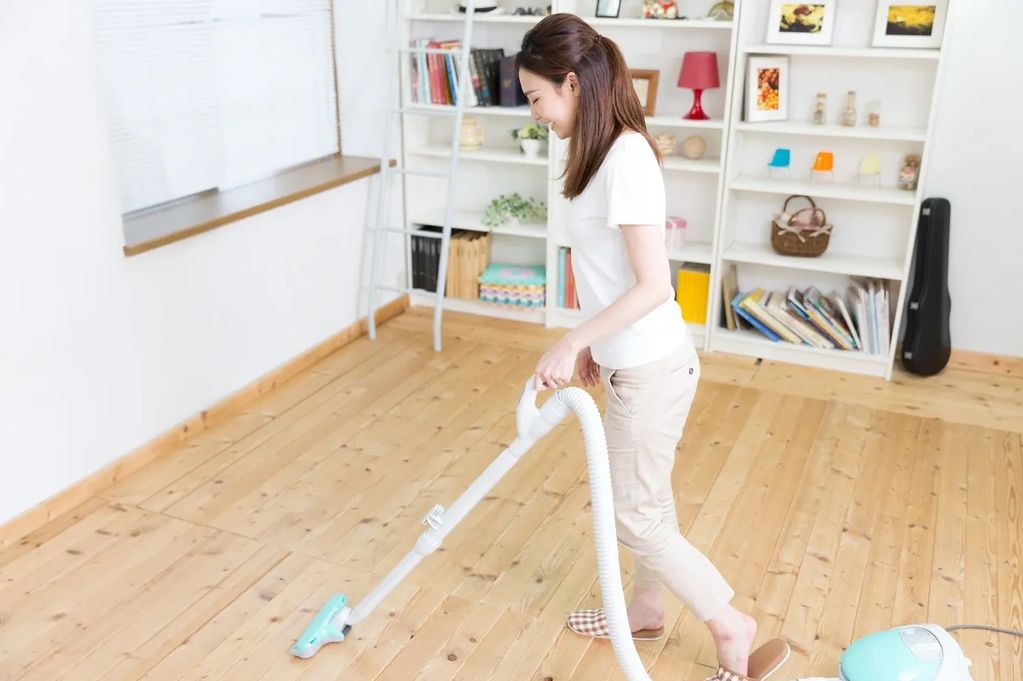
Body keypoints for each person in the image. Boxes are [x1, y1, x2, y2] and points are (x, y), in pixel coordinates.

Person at [517, 14, 789, 680]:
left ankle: (729, 621)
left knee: (633, 514)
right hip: (630, 362)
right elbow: (609, 273)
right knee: (649, 499)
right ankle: (643, 607)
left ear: (571, 83)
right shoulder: (598, 154)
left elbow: (653, 284)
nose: (535, 113)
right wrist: (595, 342)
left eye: (536, 97)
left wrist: (574, 338)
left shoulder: (627, 158)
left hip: (651, 369)